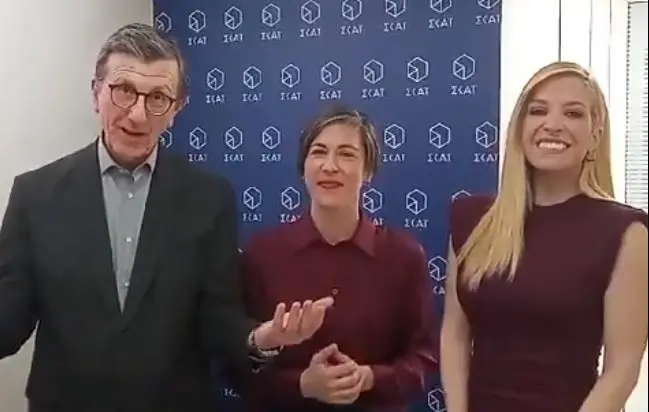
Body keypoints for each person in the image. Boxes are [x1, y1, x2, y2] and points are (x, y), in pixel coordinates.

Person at [0, 23, 334, 412]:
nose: (138, 115)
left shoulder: (209, 199)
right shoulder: (35, 196)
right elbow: (9, 323)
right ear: (96, 93)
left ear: (176, 109)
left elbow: (218, 319)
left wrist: (262, 339)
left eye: (158, 97)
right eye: (124, 91)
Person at [440, 61, 648, 412]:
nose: (552, 124)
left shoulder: (627, 232)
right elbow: (454, 335)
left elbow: (622, 368)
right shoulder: (472, 219)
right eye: (538, 111)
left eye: (573, 113)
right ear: (520, 127)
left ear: (595, 135)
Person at [239, 105, 439, 412]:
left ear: (368, 171)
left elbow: (423, 358)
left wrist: (369, 378)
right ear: (303, 167)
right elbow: (238, 365)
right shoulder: (262, 254)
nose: (330, 166)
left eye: (346, 154)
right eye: (319, 152)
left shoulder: (404, 256)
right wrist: (302, 385)